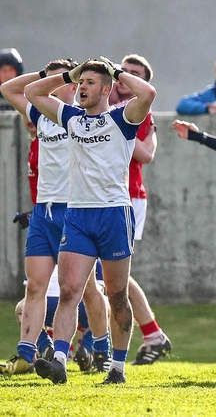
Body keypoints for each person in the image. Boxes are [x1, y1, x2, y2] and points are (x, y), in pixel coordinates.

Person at [24, 57, 156, 384]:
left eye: (90, 83)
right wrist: (68, 74)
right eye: (80, 83)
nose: (82, 87)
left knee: (117, 295)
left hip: (114, 215)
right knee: (70, 291)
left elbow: (148, 93)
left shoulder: (122, 118)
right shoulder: (71, 118)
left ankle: (117, 368)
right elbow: (30, 92)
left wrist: (117, 71)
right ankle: (58, 361)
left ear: (107, 89)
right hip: (79, 215)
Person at [0, 60, 111, 376]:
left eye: (61, 81)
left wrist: (70, 76)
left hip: (74, 211)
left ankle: (100, 347)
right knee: (34, 287)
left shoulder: (79, 117)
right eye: (48, 82)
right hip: (43, 213)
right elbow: (8, 89)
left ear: (73, 85)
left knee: (82, 289)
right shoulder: (41, 116)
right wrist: (46, 75)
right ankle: (25, 354)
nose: (50, 87)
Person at [107, 54, 173, 365]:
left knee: (112, 274)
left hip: (127, 196)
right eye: (124, 70)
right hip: (99, 197)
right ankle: (149, 335)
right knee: (102, 275)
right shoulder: (100, 103)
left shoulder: (134, 111)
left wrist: (110, 125)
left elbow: (146, 153)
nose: (126, 76)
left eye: (135, 74)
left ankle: (148, 335)